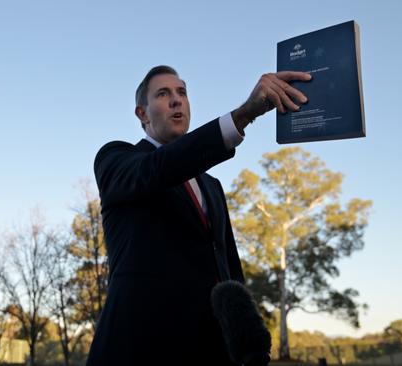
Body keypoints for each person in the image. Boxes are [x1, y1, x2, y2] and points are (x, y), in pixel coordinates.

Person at [87, 65, 311, 366]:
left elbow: (228, 264)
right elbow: (159, 168)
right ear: (142, 113)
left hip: (213, 349)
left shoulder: (211, 186)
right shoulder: (116, 160)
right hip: (141, 346)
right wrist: (242, 115)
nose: (176, 100)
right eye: (163, 94)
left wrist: (249, 340)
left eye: (182, 92)